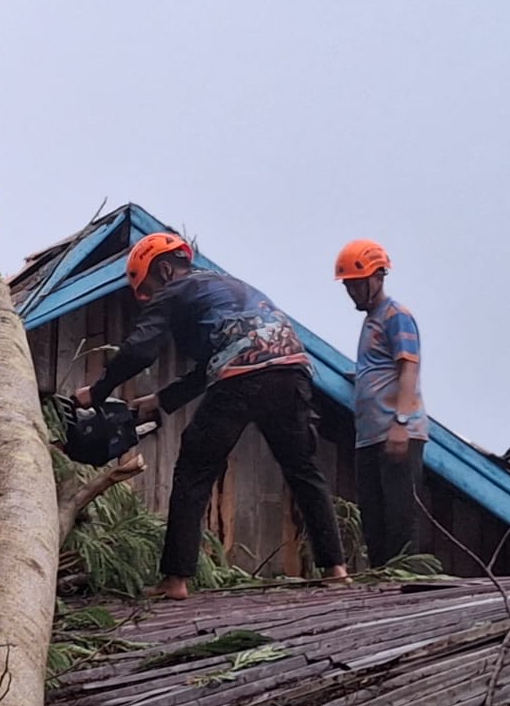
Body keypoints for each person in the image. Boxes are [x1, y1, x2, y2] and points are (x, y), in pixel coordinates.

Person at [75, 231, 350, 599]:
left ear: (165, 270)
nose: (151, 300)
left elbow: (140, 350)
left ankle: (176, 579)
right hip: (291, 371)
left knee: (194, 469)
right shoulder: (225, 286)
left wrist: (97, 392)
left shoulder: (175, 290)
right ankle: (336, 569)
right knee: (303, 469)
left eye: (149, 291)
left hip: (241, 376)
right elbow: (215, 360)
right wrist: (162, 399)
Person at [334, 239, 428, 567]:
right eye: (348, 286)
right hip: (369, 437)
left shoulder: (396, 316)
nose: (352, 293)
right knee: (373, 520)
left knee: (400, 517)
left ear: (378, 277)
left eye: (357, 285)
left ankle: (404, 577)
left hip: (396, 431)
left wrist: (400, 424)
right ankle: (380, 579)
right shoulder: (371, 321)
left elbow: (409, 368)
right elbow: (379, 367)